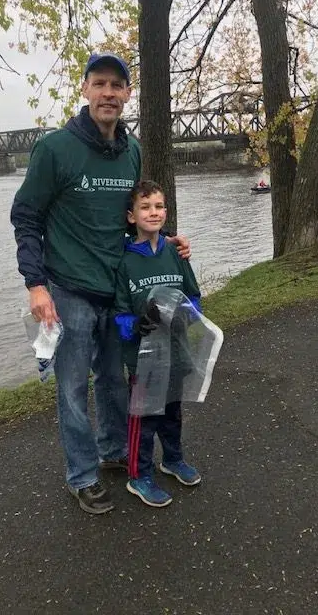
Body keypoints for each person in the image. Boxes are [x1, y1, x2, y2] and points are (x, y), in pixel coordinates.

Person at [11, 53, 190, 515]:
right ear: (85, 89)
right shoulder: (55, 149)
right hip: (68, 290)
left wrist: (164, 241)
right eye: (100, 83)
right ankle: (82, 475)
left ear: (128, 93)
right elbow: (26, 217)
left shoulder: (132, 151)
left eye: (117, 85)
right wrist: (36, 284)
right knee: (72, 388)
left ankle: (114, 451)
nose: (108, 93)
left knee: (114, 380)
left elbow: (130, 219)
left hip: (118, 291)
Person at [114, 180, 202, 508]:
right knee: (145, 418)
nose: (154, 212)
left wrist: (187, 314)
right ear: (131, 216)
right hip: (143, 358)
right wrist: (137, 324)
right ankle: (139, 475)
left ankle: (173, 459)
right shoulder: (124, 261)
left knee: (172, 411)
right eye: (145, 207)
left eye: (159, 206)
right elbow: (119, 315)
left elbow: (194, 297)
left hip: (176, 351)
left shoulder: (176, 254)